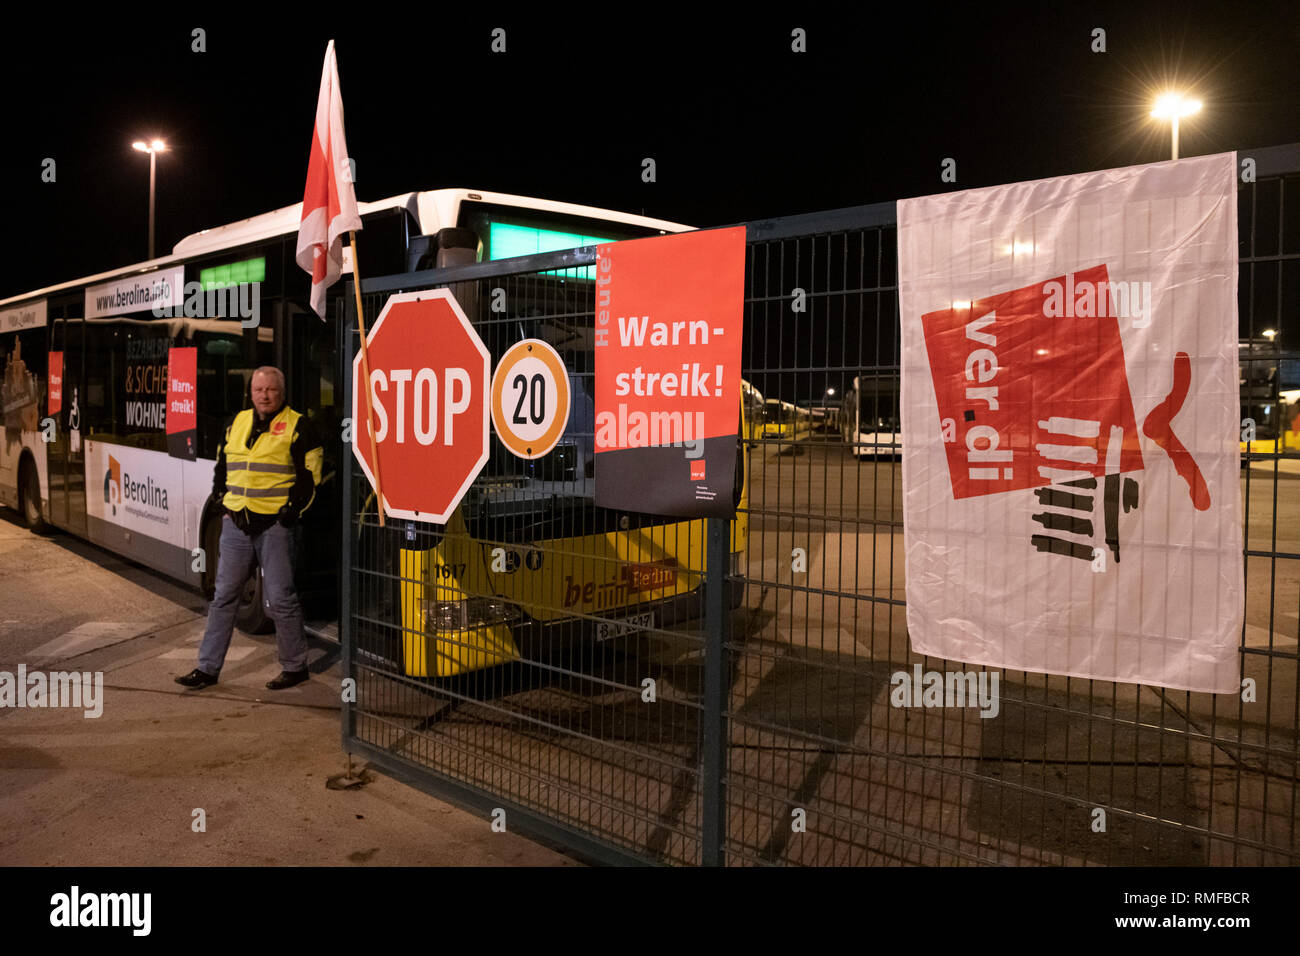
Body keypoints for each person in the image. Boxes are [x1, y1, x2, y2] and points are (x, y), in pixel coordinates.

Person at [175, 366, 323, 691]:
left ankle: (295, 666)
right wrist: (222, 503)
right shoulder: (236, 423)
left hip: (275, 527)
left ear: (281, 393)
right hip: (237, 526)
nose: (264, 395)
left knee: (280, 599)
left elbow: (310, 479)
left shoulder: (299, 425)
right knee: (223, 597)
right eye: (259, 390)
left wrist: (287, 516)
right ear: (251, 393)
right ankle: (207, 668)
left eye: (270, 390)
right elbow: (222, 467)